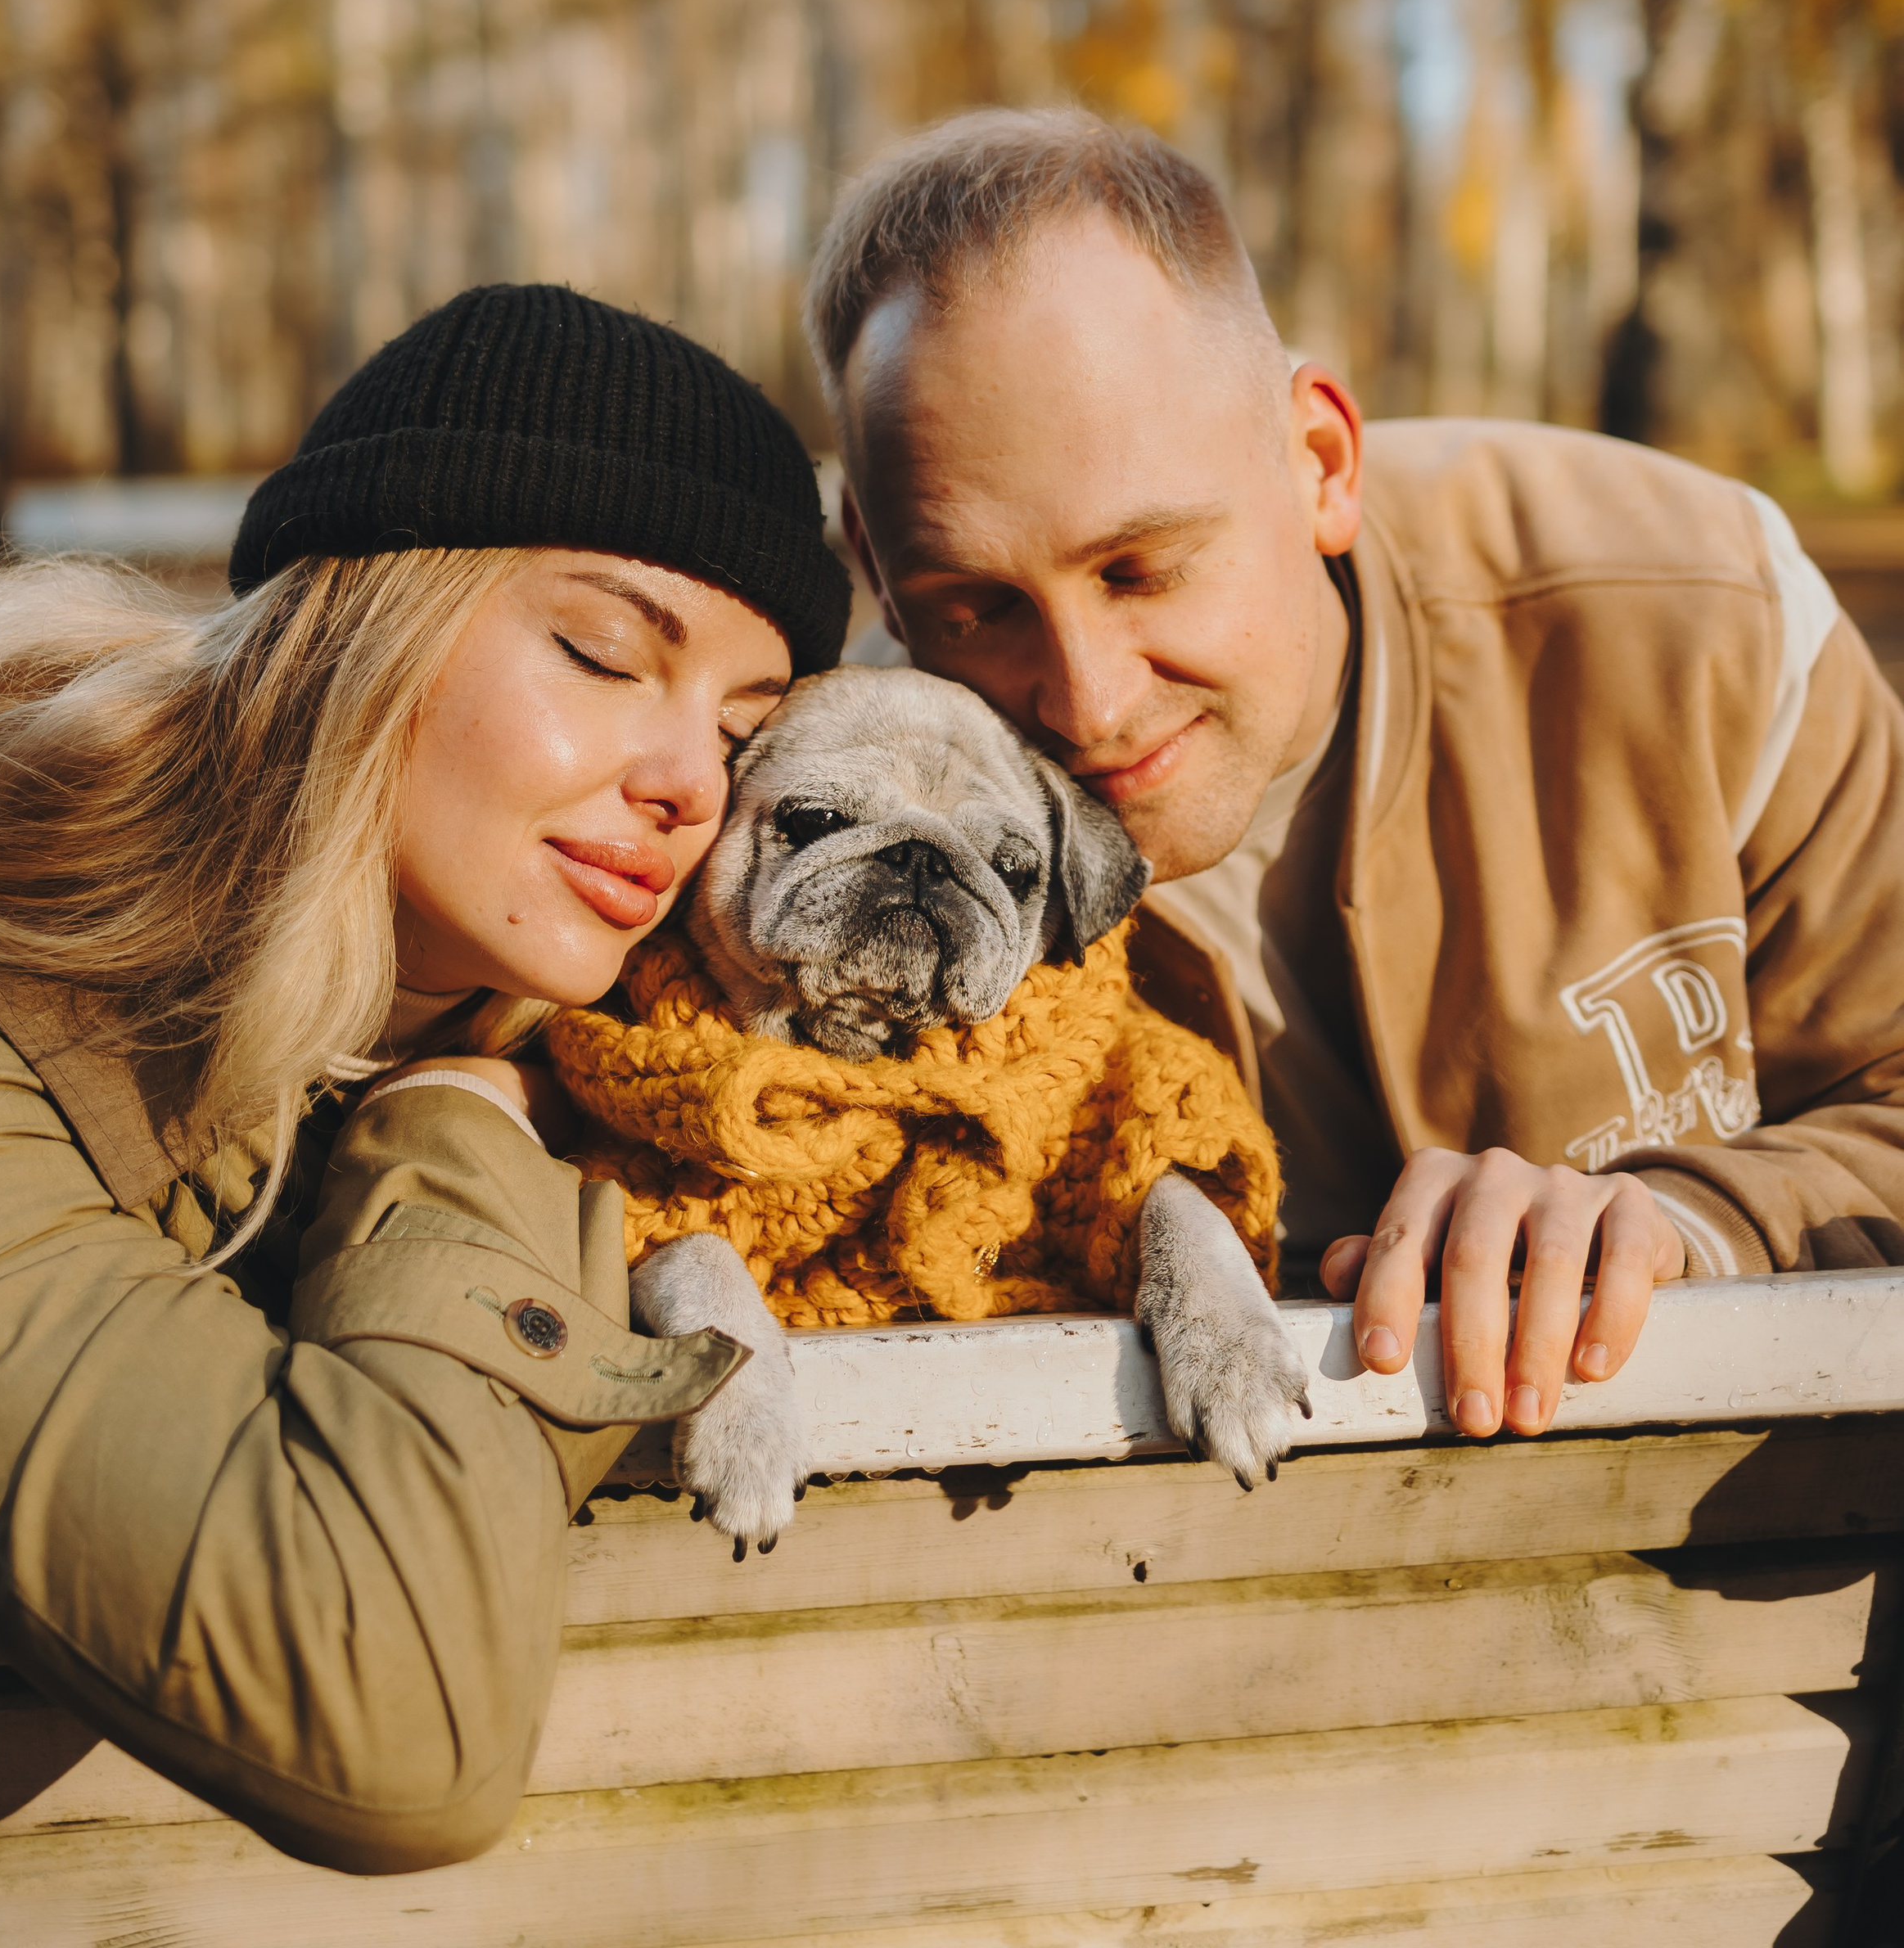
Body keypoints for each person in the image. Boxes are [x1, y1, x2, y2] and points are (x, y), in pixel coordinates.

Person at [0, 284, 847, 1874]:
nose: (685, 783)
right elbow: (391, 1716)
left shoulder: (638, 1059)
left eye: (740, 727)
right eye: (599, 653)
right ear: (364, 620)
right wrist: (448, 1120)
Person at [805, 108, 1904, 1447]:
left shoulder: (1699, 614)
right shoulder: (812, 825)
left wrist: (1694, 1222)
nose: (1086, 704)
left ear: (1320, 460)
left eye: (1140, 568)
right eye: (975, 607)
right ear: (873, 563)